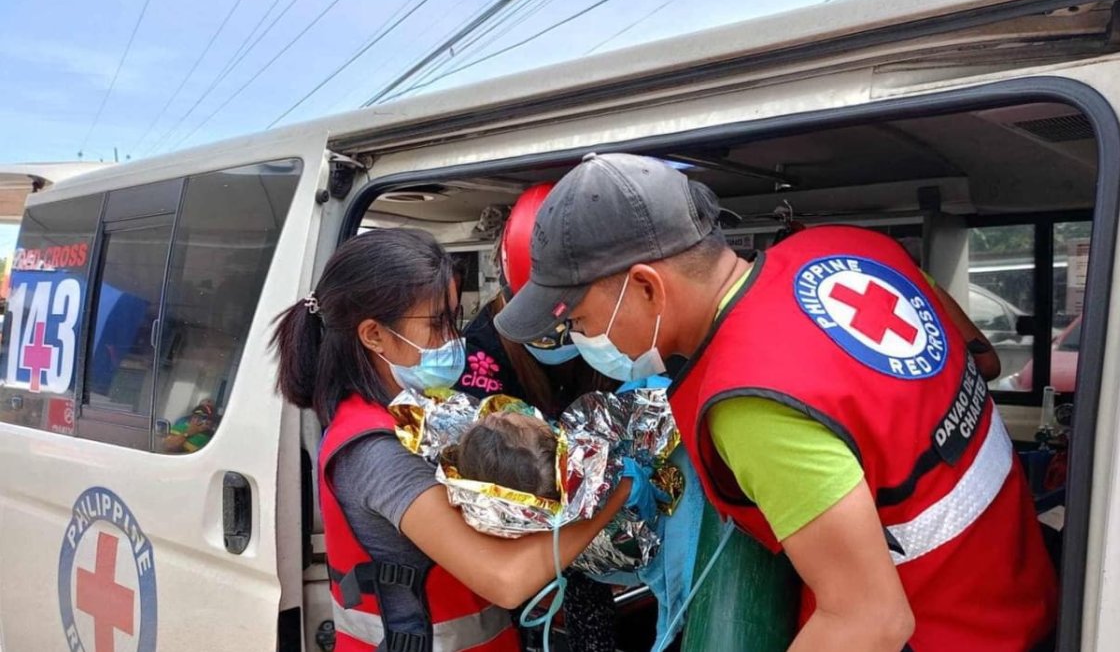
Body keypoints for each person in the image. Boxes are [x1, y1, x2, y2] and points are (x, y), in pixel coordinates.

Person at [494, 153, 1057, 652]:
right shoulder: (850, 247)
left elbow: (870, 620)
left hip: (948, 633)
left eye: (584, 320)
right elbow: (979, 362)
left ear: (647, 287)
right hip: (1024, 585)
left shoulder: (751, 403)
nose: (586, 341)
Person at [271, 228, 635, 652]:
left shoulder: (421, 414)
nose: (452, 339)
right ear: (373, 335)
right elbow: (506, 581)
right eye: (436, 324)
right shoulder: (375, 450)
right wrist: (616, 486)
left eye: (454, 318)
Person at [454, 183, 622, 652]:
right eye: (543, 327)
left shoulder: (615, 334)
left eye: (574, 321)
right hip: (525, 512)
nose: (562, 335)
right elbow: (488, 459)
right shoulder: (483, 352)